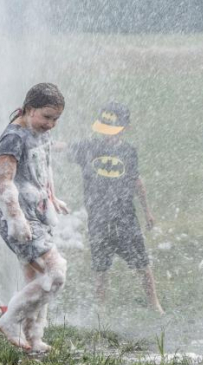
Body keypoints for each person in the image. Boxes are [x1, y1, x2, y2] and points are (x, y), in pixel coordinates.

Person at [67, 102, 164, 314]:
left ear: (124, 128)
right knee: (100, 267)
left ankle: (155, 304)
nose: (106, 136)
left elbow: (137, 181)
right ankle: (101, 309)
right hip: (98, 218)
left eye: (111, 131)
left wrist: (147, 211)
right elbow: (63, 147)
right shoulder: (89, 147)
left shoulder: (129, 152)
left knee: (142, 262)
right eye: (104, 131)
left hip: (125, 216)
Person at [0, 83, 69, 352]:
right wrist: (16, 219)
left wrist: (53, 197)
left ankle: (34, 337)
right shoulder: (13, 137)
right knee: (56, 273)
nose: (51, 124)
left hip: (37, 214)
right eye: (47, 116)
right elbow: (4, 182)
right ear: (29, 109)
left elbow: (43, 168)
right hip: (19, 219)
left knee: (35, 279)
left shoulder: (39, 132)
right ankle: (10, 320)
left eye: (56, 119)